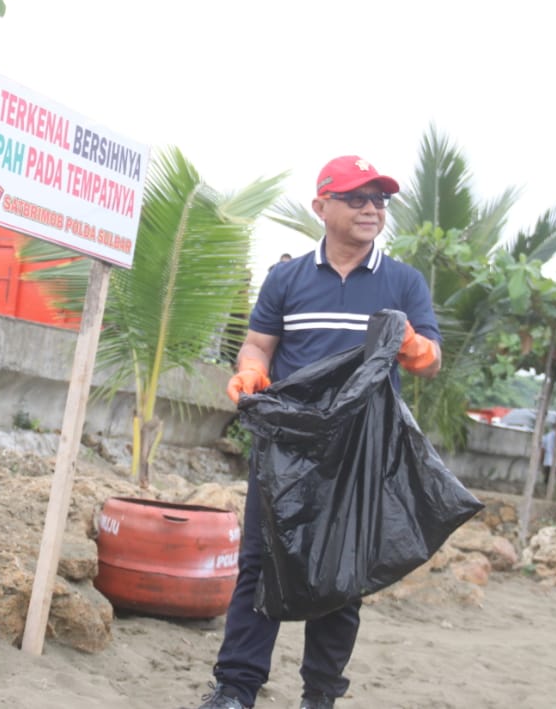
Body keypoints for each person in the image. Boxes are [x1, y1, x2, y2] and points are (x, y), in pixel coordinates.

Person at [196, 155, 442, 709]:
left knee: (342, 572)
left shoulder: (403, 281)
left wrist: (416, 348)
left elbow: (431, 361)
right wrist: (249, 371)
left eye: (378, 200)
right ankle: (235, 690)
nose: (371, 208)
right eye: (356, 197)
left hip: (360, 453)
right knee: (260, 564)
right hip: (286, 448)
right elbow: (260, 343)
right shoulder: (287, 277)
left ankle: (321, 696)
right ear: (321, 206)